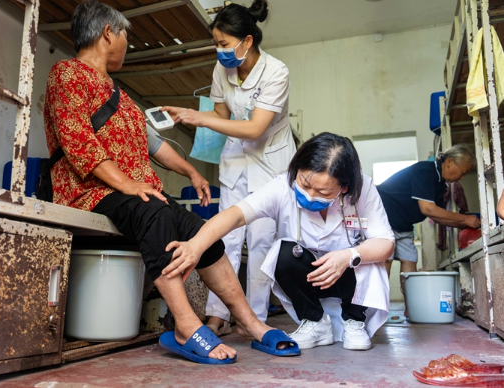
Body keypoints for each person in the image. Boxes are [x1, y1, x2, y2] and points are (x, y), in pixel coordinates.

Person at [43, 0, 298, 364]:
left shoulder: (122, 99)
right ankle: (186, 326)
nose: (127, 45)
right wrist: (129, 184)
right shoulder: (66, 74)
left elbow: (156, 145)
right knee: (155, 213)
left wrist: (192, 173)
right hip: (89, 191)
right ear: (107, 33)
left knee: (200, 231)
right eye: (125, 37)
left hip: (135, 192)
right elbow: (79, 143)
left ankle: (248, 321)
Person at [164, 133, 395, 350]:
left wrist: (347, 256)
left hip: (349, 279)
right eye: (304, 183)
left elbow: (386, 241)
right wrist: (195, 244)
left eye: (324, 192)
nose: (310, 195)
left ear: (344, 188)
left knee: (367, 256)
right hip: (310, 278)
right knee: (283, 253)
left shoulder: (363, 189)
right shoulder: (282, 186)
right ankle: (314, 322)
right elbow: (235, 215)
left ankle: (354, 320)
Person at [162, 0, 296, 336]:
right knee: (227, 238)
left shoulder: (277, 72)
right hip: (237, 158)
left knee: (262, 241)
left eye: (224, 44)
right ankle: (218, 315)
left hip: (270, 160)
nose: (219, 51)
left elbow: (254, 128)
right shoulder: (222, 69)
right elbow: (222, 116)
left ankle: (255, 319)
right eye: (216, 44)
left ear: (246, 41)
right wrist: (188, 113)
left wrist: (198, 117)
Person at [376, 144, 480, 317]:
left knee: (409, 261)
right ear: (450, 163)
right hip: (384, 218)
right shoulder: (426, 171)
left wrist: (464, 224)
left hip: (403, 224)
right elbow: (428, 209)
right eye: (462, 172)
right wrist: (465, 219)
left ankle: (412, 309)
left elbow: (439, 217)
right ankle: (378, 312)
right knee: (385, 260)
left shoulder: (441, 184)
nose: (462, 177)